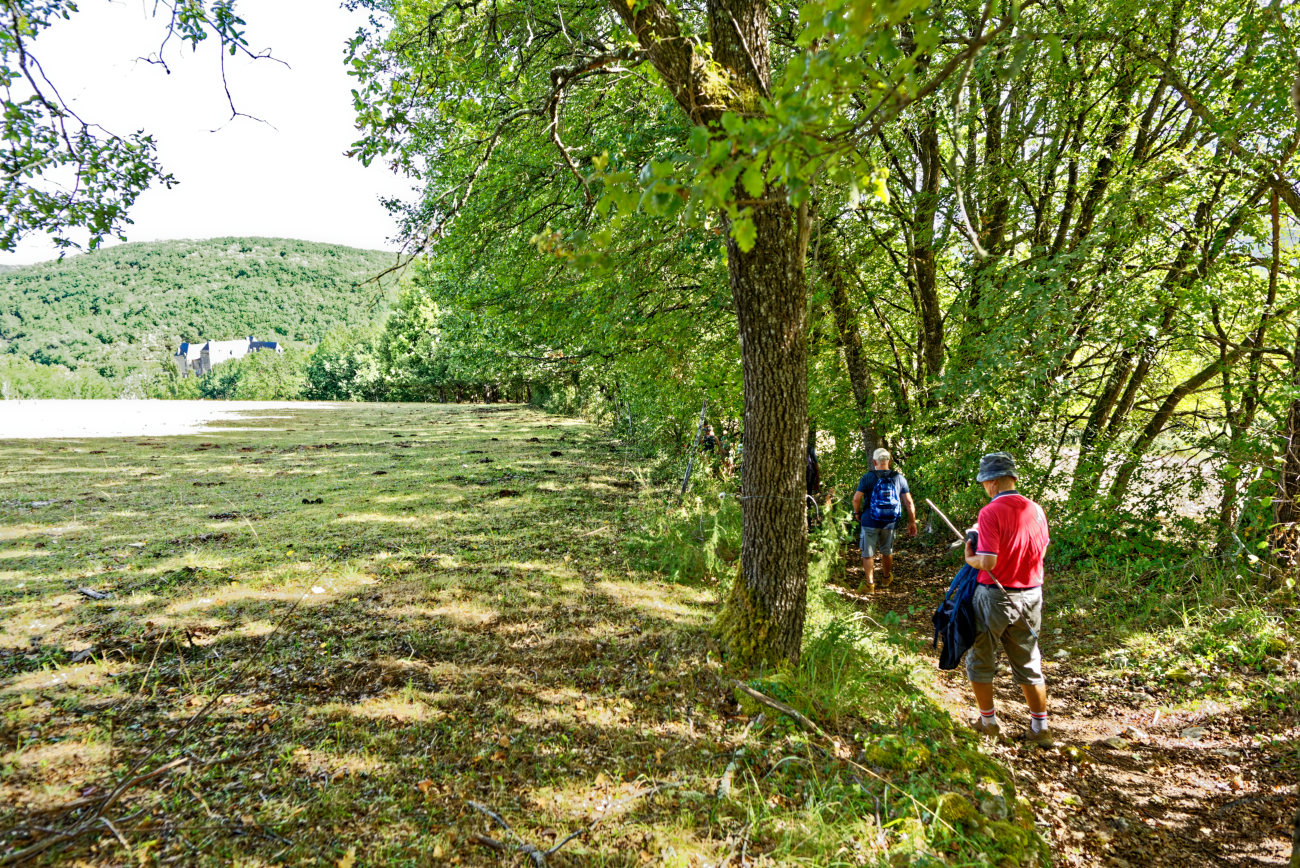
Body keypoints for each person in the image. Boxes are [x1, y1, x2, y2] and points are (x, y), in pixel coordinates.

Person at [963, 451, 1053, 747]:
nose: (984, 488)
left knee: (980, 658)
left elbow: (988, 561)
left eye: (984, 483)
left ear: (992, 482)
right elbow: (1040, 550)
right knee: (1029, 661)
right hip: (1032, 595)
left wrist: (970, 557)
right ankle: (1040, 728)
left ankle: (988, 722)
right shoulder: (1036, 510)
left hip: (995, 595)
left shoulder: (990, 512)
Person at [852, 447, 917, 591]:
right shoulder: (899, 478)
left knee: (868, 554)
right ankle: (886, 578)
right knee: (887, 551)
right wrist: (912, 522)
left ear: (874, 462)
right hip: (889, 523)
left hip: (869, 520)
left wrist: (857, 513)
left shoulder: (867, 477)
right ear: (889, 461)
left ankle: (870, 584)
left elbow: (856, 499)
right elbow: (909, 503)